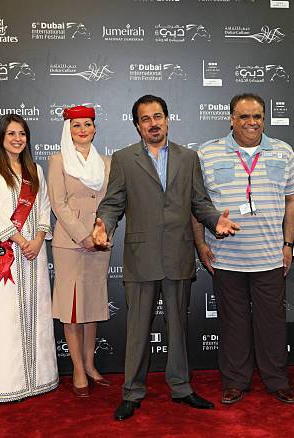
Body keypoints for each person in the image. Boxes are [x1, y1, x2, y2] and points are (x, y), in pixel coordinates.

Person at [92, 95, 239, 421]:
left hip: (177, 254)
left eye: (158, 116)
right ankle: (131, 392)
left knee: (178, 327)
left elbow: (199, 203)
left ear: (168, 119)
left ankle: (182, 387)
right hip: (140, 257)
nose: (153, 123)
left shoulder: (189, 158)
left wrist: (216, 221)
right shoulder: (124, 159)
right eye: (145, 119)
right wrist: (103, 223)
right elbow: (113, 203)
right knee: (137, 330)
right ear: (137, 125)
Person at [193, 93, 294, 405]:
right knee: (232, 324)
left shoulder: (283, 152)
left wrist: (287, 244)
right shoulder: (208, 153)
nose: (251, 122)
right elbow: (196, 205)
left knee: (272, 324)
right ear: (231, 119)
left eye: (257, 116)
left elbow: (293, 198)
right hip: (225, 257)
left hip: (269, 256)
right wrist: (201, 243)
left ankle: (276, 380)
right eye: (244, 116)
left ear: (264, 118)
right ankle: (234, 381)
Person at [0, 114, 58, 402]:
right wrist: (21, 240)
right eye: (11, 133)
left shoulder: (34, 169)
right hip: (5, 253)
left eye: (22, 133)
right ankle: (6, 384)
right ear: (1, 137)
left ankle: (39, 380)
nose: (17, 139)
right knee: (5, 318)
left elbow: (44, 208)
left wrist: (37, 240)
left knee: (37, 315)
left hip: (34, 253)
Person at [47, 106, 111, 397]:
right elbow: (58, 205)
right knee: (72, 309)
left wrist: (99, 234)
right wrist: (82, 235)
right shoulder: (57, 161)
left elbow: (112, 204)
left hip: (99, 241)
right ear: (68, 130)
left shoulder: (107, 163)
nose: (82, 129)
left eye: (87, 124)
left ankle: (90, 363)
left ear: (95, 129)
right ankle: (76, 368)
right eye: (76, 125)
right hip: (70, 243)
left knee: (92, 306)